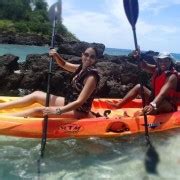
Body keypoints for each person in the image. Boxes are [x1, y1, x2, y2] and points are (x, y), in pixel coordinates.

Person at [0, 46, 100, 119]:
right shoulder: (80, 68)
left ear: (95, 60)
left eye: (92, 57)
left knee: (38, 111)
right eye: (86, 55)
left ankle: (5, 118)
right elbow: (64, 64)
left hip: (79, 112)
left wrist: (58, 110)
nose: (88, 58)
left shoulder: (91, 77)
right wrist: (56, 55)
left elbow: (79, 103)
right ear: (82, 55)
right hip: (69, 102)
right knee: (36, 94)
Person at [108, 52, 178, 115]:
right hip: (155, 99)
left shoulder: (172, 76)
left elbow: (162, 94)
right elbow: (145, 66)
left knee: (160, 103)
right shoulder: (157, 69)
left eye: (166, 60)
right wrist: (140, 58)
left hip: (167, 104)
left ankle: (139, 116)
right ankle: (118, 106)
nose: (163, 63)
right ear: (158, 61)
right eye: (161, 60)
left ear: (170, 62)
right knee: (139, 87)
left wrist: (152, 105)